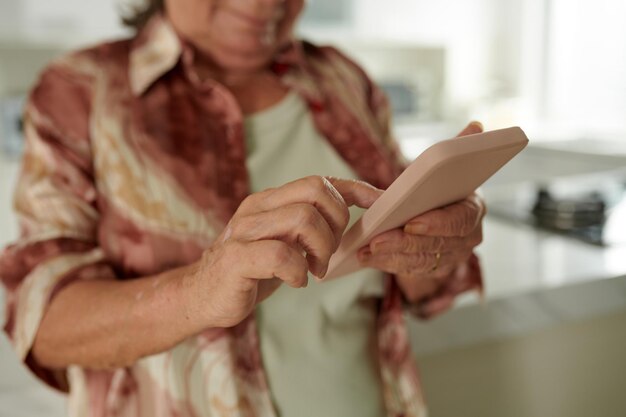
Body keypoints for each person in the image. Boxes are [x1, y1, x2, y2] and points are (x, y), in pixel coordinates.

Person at [0, 1, 485, 416]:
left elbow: (413, 281)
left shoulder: (341, 79)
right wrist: (197, 292)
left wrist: (437, 242)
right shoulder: (81, 91)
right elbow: (43, 322)